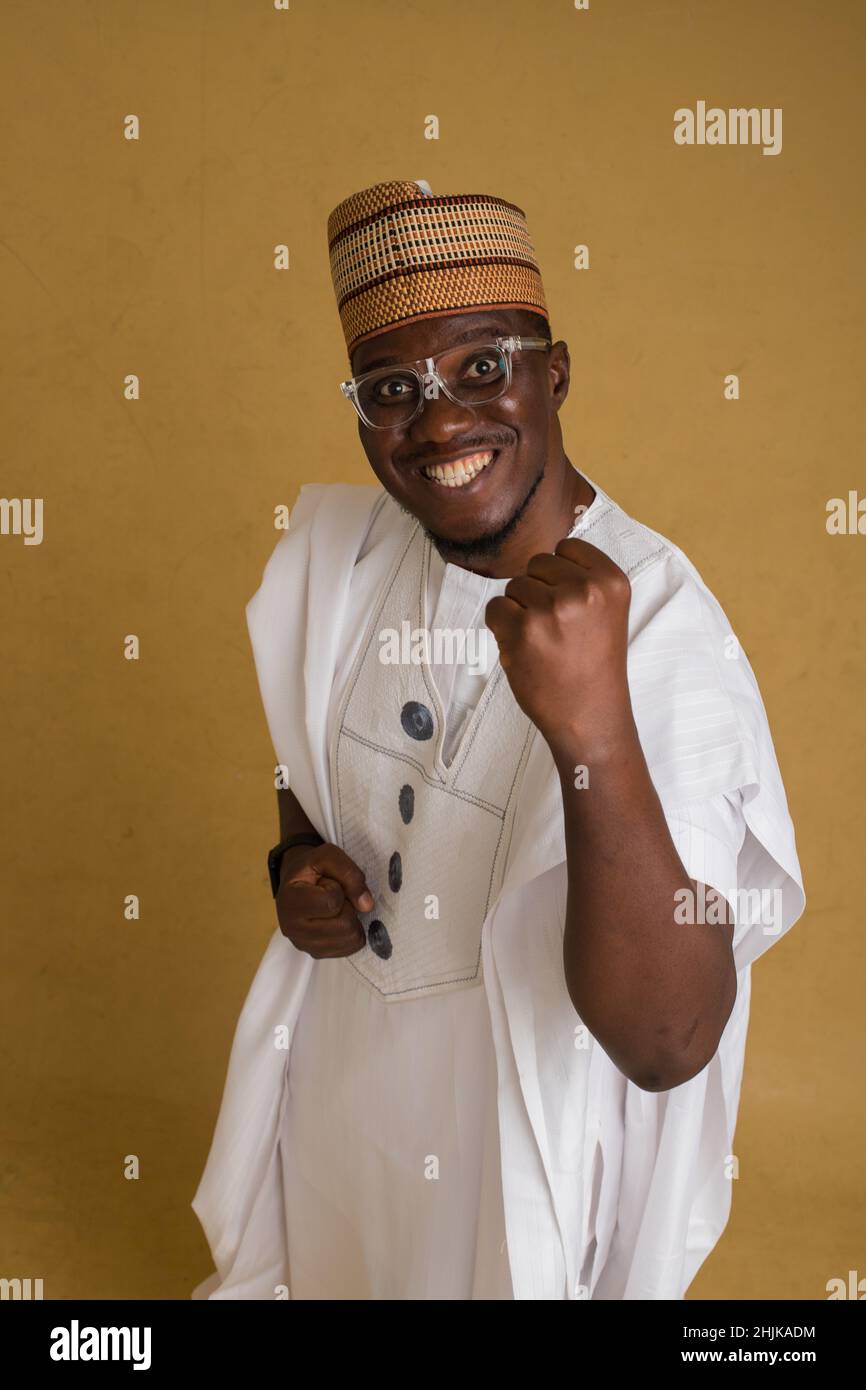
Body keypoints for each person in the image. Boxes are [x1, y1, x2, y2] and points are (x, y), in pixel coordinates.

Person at [191, 179, 805, 1300]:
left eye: (481, 367)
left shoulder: (661, 626)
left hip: (511, 1197)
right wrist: (291, 866)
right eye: (391, 389)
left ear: (552, 370)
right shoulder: (345, 555)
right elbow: (310, 756)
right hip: (337, 1149)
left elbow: (665, 1039)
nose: (436, 422)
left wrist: (592, 732)